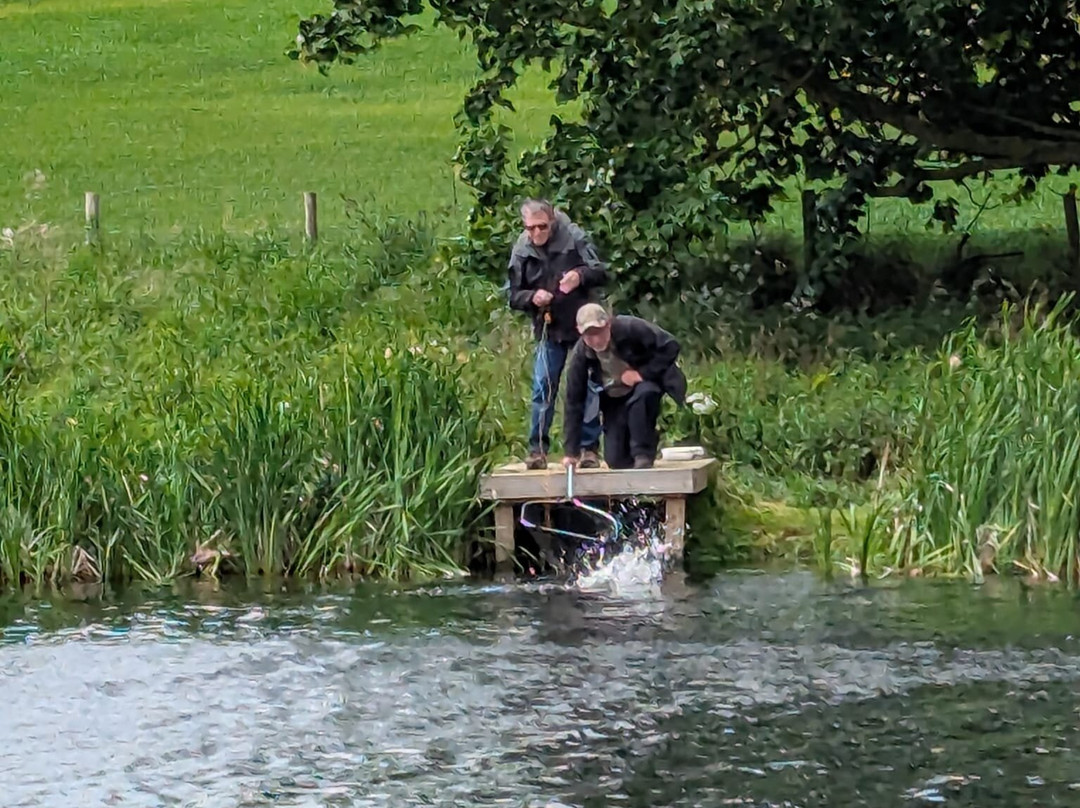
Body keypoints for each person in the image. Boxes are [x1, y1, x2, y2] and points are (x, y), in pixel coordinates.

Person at [508, 198, 605, 470]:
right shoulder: (522, 249)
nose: (536, 233)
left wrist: (579, 276)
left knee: (589, 387)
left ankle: (588, 450)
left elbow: (600, 272)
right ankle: (537, 450)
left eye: (542, 226)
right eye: (530, 228)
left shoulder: (574, 236)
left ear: (552, 222)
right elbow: (513, 295)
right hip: (548, 327)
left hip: (582, 326)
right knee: (543, 387)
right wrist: (532, 297)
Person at [561, 304, 687, 470]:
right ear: (580, 332)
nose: (596, 340)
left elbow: (670, 346)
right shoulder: (581, 355)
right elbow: (574, 401)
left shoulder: (630, 327)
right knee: (616, 461)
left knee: (644, 396)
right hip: (615, 396)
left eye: (599, 332)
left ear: (608, 324)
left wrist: (642, 374)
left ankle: (643, 454)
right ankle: (631, 461)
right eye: (589, 336)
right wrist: (571, 452)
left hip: (645, 384)